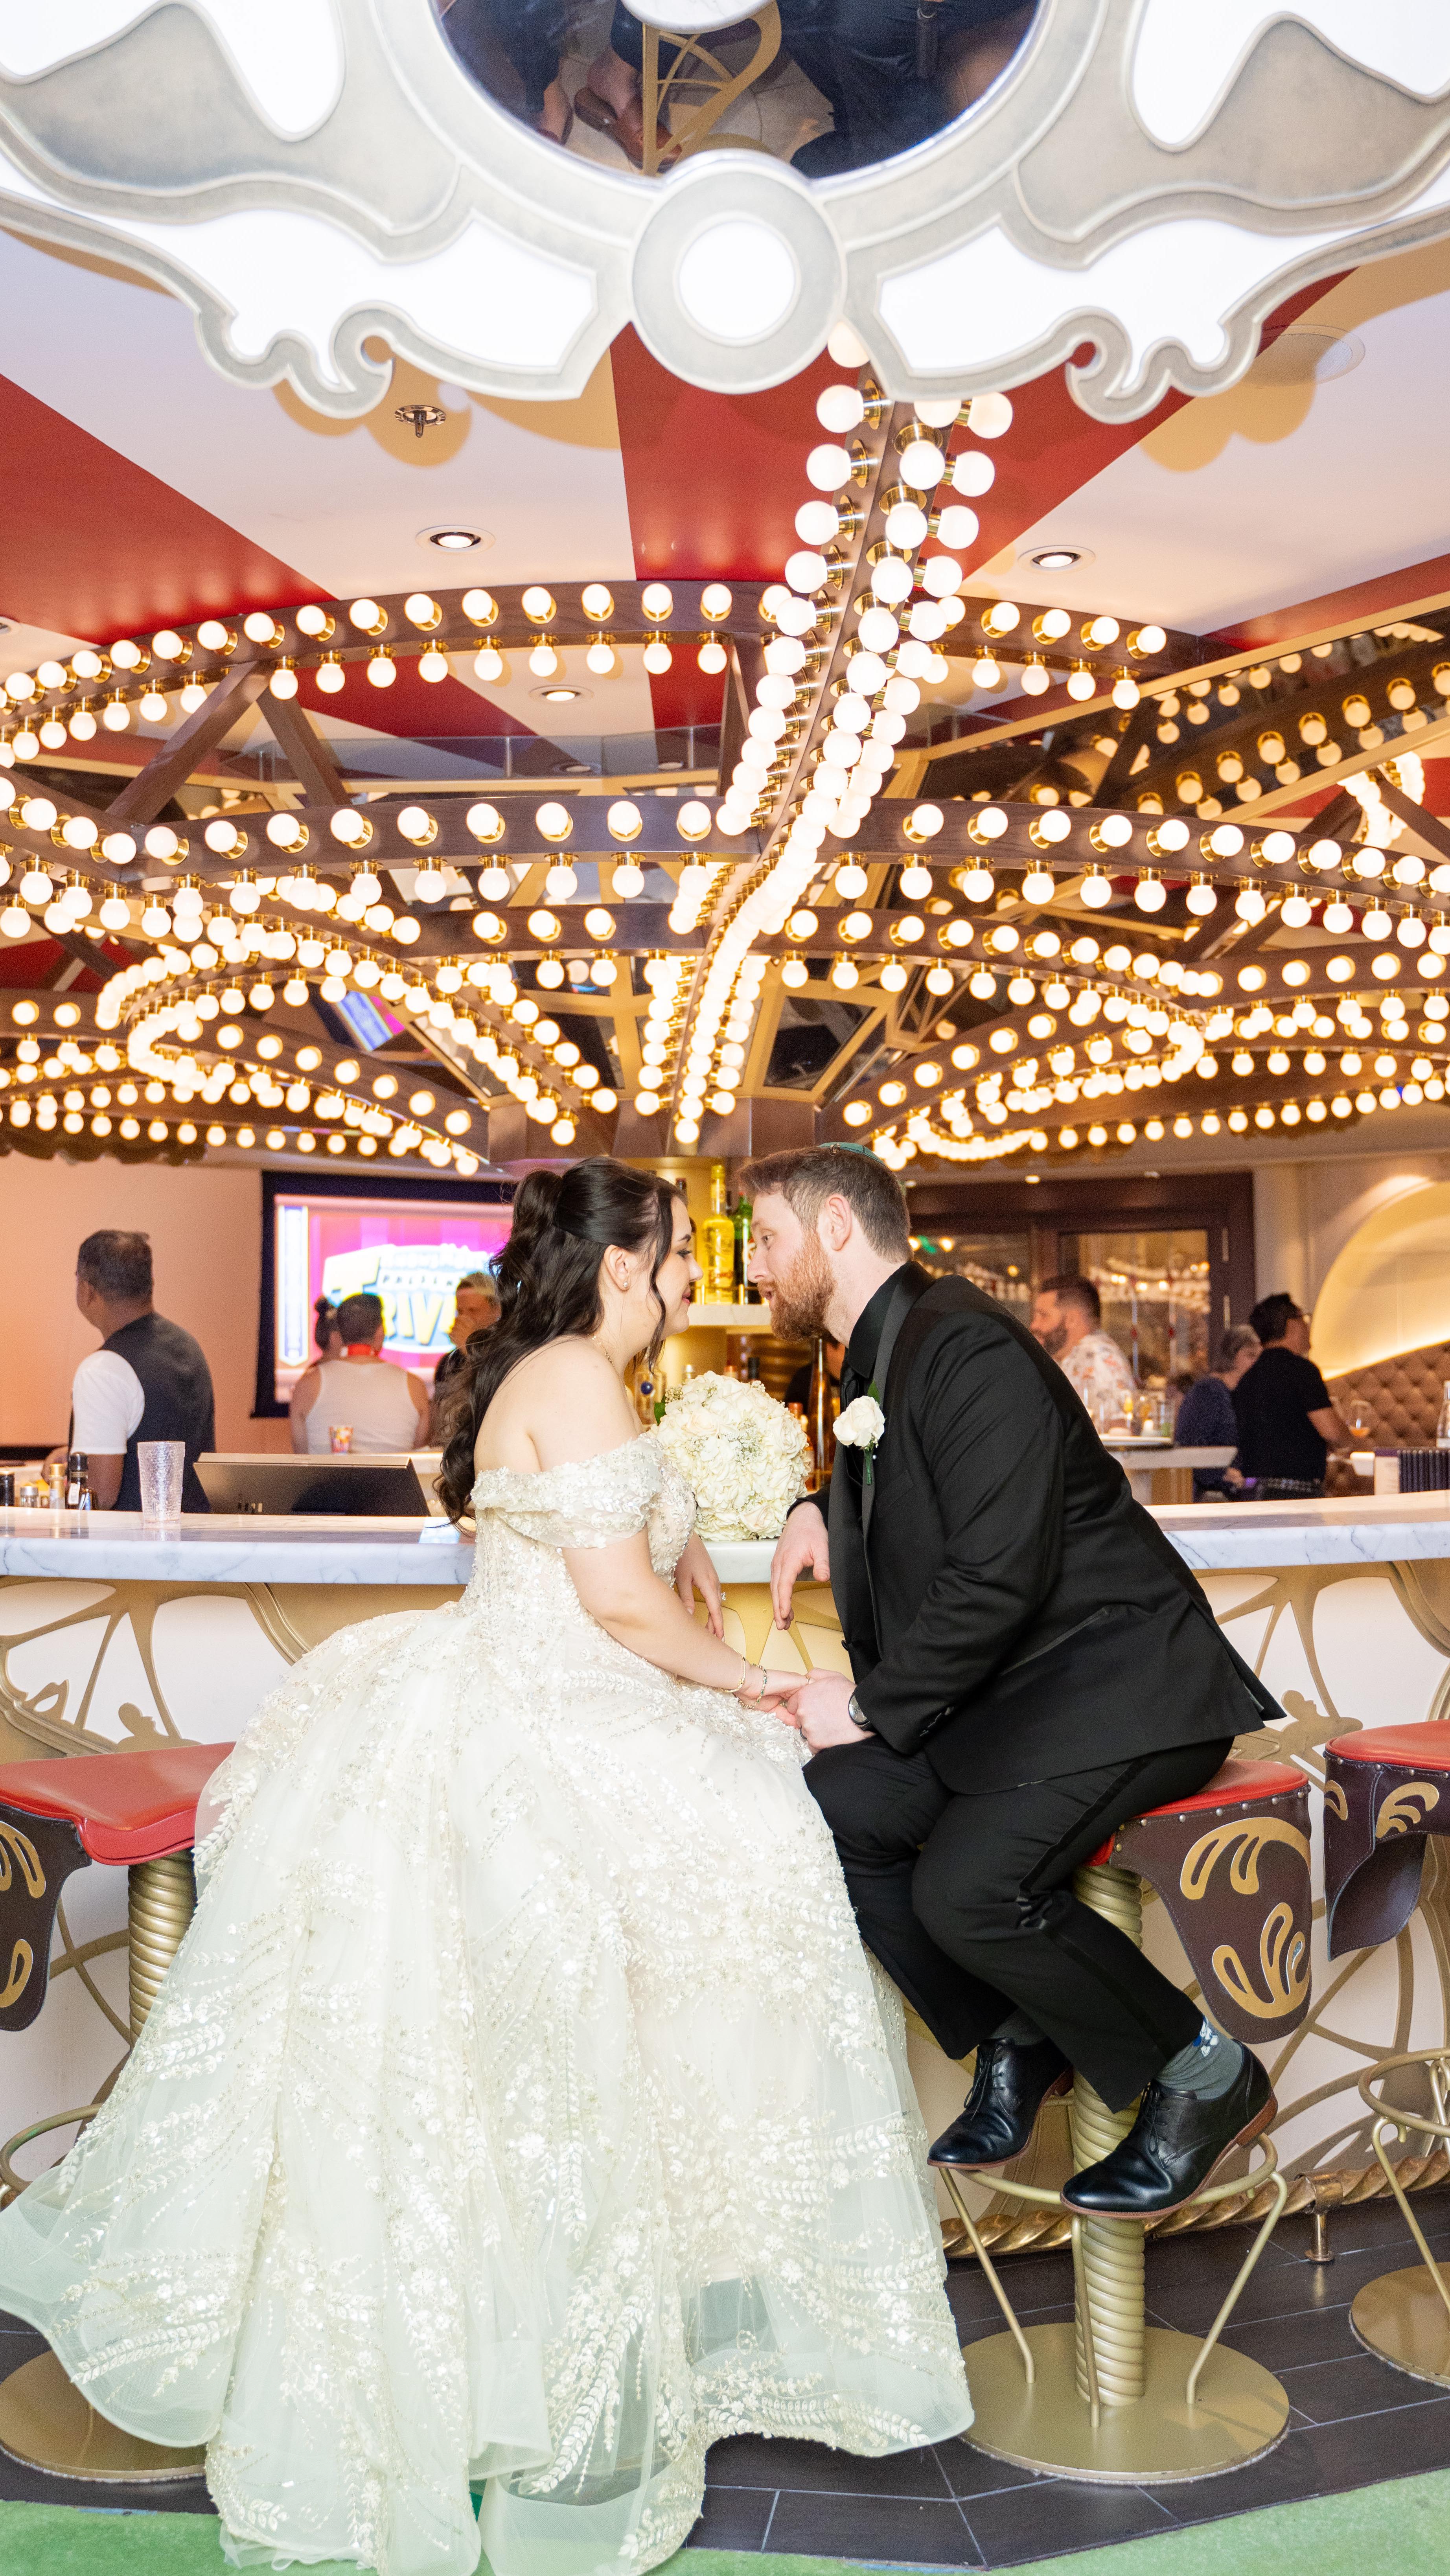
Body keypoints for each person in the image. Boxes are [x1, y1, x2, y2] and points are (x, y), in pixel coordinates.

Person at [0, 1157, 970, 2576]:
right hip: (545, 1708)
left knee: (759, 1835)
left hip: (550, 1688)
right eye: (678, 1261)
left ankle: (644, 2275)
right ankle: (625, 2298)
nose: (699, 1281)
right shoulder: (578, 1372)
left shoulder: (569, 1372)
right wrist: (760, 1680)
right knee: (765, 1829)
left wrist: (689, 1532)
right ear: (627, 1265)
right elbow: (613, 1596)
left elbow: (608, 1544)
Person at [749, 1145, 1286, 2221]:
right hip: (1010, 1699)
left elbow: (997, 1579)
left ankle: (1204, 2072)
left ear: (838, 1232)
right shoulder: (876, 1353)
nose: (757, 1266)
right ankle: (1020, 2036)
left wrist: (857, 1706)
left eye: (766, 1238)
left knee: (966, 1890)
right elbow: (897, 1479)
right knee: (834, 1809)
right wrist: (815, 1502)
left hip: (1121, 1687)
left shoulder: (969, 1348)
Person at [65, 1229, 215, 1513]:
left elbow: (98, 1494)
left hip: (133, 1551)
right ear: (149, 1283)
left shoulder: (102, 1370)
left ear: (87, 1290)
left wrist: (63, 1475)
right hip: (198, 1543)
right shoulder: (188, 1346)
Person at [1229, 1292, 1349, 1500]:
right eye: (1304, 1319)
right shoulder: (1302, 1371)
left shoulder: (1246, 1380)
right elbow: (1332, 1433)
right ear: (1293, 1324)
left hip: (1251, 1494)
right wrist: (1348, 1440)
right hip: (1294, 1495)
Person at [289, 1290, 431, 1455]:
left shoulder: (307, 1385)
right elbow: (418, 1458)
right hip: (390, 1482)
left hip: (326, 1481)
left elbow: (301, 1457)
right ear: (380, 1333)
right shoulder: (415, 1386)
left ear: (340, 1335)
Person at [1029, 1272, 1136, 1421]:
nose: (1034, 1325)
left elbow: (1117, 1431)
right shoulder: (1070, 1358)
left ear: (1072, 1320)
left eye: (1044, 1316)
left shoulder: (1099, 1359)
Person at [1175, 1328, 1260, 1499]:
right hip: (1215, 1495)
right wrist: (1222, 1473)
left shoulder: (1241, 1394)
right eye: (1251, 1355)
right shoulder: (1209, 1391)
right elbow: (1189, 1443)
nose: (1257, 1363)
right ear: (1232, 1356)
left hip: (1238, 1493)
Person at [430, 1268, 501, 1439]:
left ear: (497, 1311)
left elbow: (494, 1398)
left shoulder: (507, 1352)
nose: (464, 1319)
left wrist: (468, 1348)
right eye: (460, 1312)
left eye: (473, 1311)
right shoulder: (449, 1362)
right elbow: (437, 1419)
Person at [784, 1334, 844, 1410]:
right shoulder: (805, 1379)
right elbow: (792, 1416)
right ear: (829, 1349)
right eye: (848, 1350)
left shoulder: (859, 1378)